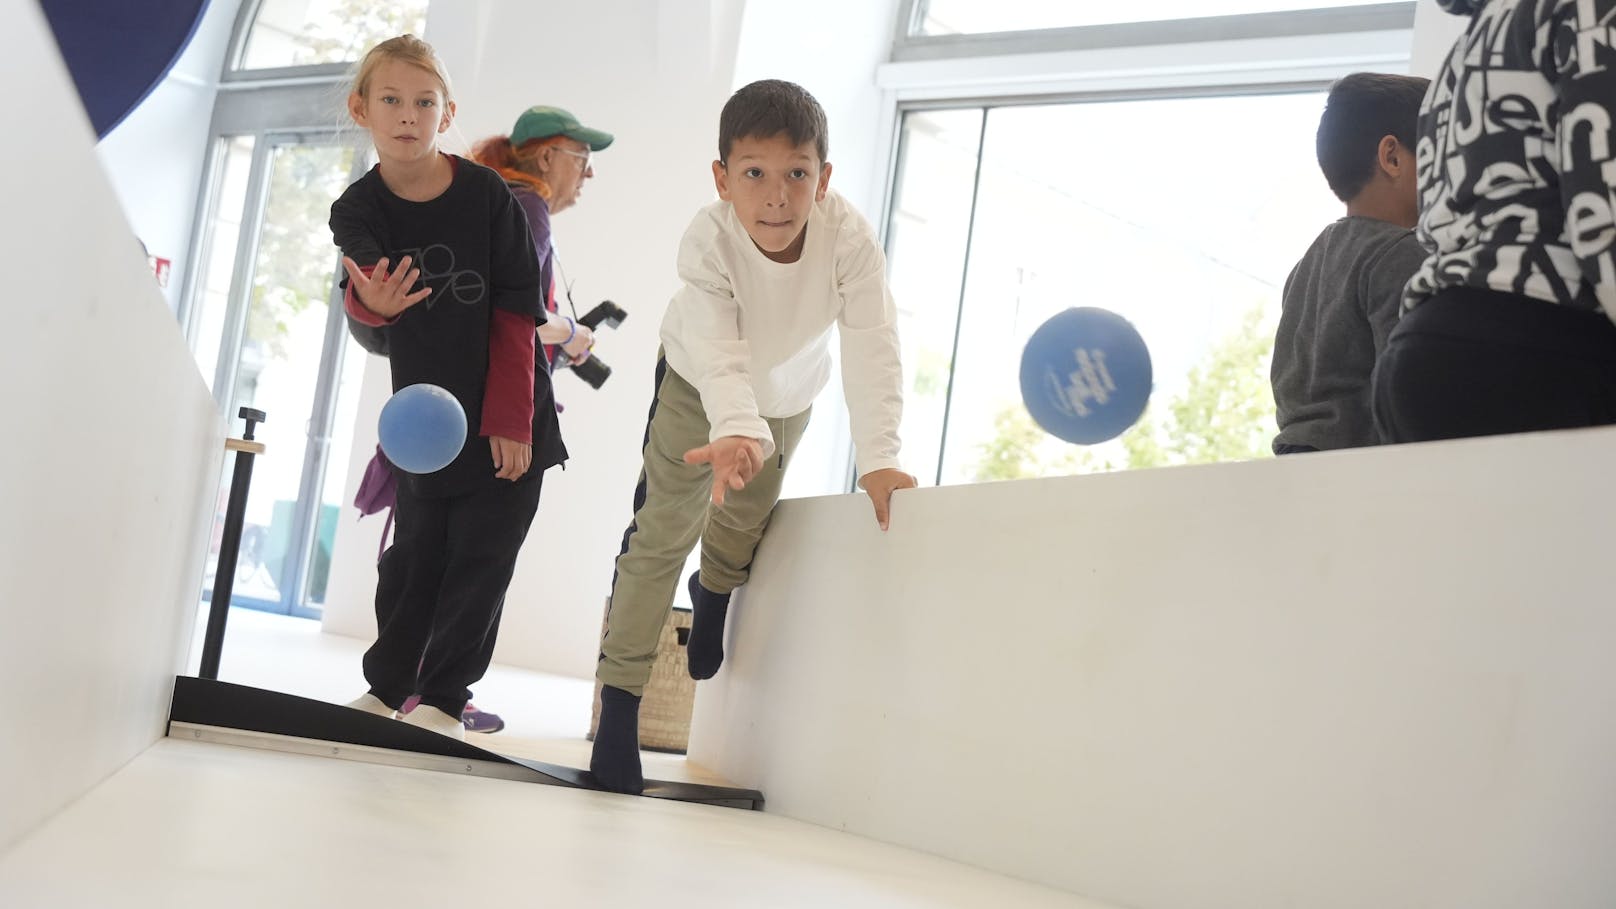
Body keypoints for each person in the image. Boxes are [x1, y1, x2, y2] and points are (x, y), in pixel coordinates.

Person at [589, 79, 917, 794]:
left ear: (823, 178)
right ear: (723, 178)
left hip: (788, 396)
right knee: (662, 532)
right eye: (755, 174)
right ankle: (619, 706)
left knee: (743, 521)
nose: (776, 196)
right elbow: (716, 345)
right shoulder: (708, 239)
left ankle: (714, 590)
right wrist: (734, 425)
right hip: (694, 383)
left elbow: (873, 342)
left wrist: (881, 457)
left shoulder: (851, 242)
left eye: (797, 174)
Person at [329, 35, 566, 741]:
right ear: (361, 108)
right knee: (413, 560)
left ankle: (442, 696)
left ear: (447, 112)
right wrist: (375, 304)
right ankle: (387, 686)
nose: (408, 115)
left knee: (480, 562)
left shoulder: (490, 195)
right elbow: (365, 297)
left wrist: (511, 420)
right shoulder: (356, 209)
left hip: (509, 417)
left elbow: (519, 309)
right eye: (392, 100)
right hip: (425, 429)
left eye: (424, 102)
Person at [442, 106, 613, 735]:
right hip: (506, 412)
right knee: (486, 555)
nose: (587, 176)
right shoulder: (529, 209)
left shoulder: (490, 201)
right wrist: (570, 330)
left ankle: (420, 686)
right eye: (582, 159)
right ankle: (445, 691)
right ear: (545, 158)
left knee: (447, 548)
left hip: (460, 402)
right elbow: (517, 316)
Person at [1373, 0, 1616, 441]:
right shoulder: (1587, 10)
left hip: (1421, 349)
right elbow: (1602, 202)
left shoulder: (1463, 55)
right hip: (1545, 343)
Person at [1270, 72, 1430, 454]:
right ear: (1392, 157)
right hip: (1363, 472)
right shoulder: (1401, 253)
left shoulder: (1308, 263)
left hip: (1299, 464)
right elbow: (1409, 391)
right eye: (1443, 153)